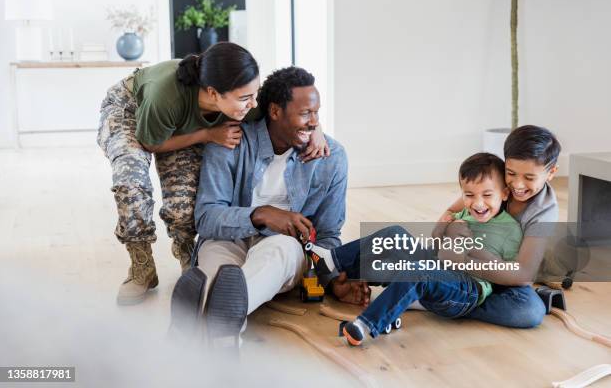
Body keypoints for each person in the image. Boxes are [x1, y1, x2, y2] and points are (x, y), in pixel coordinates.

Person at [97, 42, 329, 305]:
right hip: (133, 110)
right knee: (131, 183)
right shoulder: (165, 95)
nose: (254, 104)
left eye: (254, 95)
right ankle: (142, 266)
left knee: (184, 205)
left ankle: (189, 257)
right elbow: (151, 142)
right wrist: (207, 134)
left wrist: (316, 129)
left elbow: (289, 106)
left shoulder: (245, 97)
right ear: (213, 93)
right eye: (246, 99)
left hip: (185, 123)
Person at [171, 66, 368, 344]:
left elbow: (327, 234)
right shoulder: (228, 141)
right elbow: (206, 217)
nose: (314, 122)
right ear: (275, 112)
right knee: (215, 278)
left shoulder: (330, 156)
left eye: (316, 113)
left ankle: (199, 322)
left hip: (282, 246)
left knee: (279, 253)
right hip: (227, 238)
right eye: (304, 113)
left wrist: (332, 279)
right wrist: (260, 214)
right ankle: (224, 343)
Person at [308, 125, 561, 330]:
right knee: (395, 238)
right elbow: (449, 216)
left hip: (494, 277)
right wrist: (448, 234)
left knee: (529, 311)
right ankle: (332, 271)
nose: (517, 184)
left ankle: (426, 295)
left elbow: (523, 275)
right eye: (511, 173)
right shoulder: (491, 185)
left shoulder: (543, 212)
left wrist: (462, 259)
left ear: (551, 173)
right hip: (450, 260)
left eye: (529, 178)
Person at [339, 153, 523, 345]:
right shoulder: (464, 214)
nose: (477, 203)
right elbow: (436, 241)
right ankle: (333, 263)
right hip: (441, 269)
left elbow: (509, 272)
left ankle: (365, 325)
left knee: (418, 273)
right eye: (469, 195)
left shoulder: (510, 229)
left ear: (504, 193)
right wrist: (446, 227)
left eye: (487, 195)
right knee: (394, 236)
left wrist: (471, 251)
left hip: (468, 289)